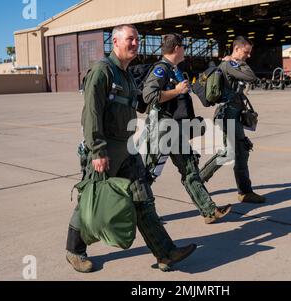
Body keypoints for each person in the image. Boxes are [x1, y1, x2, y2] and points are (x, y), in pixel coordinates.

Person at [65, 25, 196, 273]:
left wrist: (163, 90)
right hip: (106, 148)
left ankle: (165, 253)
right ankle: (75, 250)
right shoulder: (102, 71)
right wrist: (97, 150)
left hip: (128, 147)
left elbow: (141, 104)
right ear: (115, 41)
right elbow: (91, 114)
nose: (135, 43)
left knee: (143, 198)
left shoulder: (126, 74)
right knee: (90, 199)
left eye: (137, 39)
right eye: (130, 39)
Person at [143, 33, 232, 225]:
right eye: (183, 46)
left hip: (174, 130)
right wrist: (176, 91)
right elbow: (149, 95)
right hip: (162, 130)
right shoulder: (161, 69)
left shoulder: (174, 69)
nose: (184, 49)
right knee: (147, 174)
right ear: (176, 48)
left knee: (190, 169)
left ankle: (209, 211)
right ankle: (134, 213)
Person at [199, 36, 267, 204]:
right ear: (236, 49)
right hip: (228, 114)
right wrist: (237, 61)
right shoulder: (230, 64)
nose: (248, 56)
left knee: (242, 151)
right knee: (229, 152)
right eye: (246, 52)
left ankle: (245, 192)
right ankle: (197, 180)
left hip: (233, 114)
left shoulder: (231, 64)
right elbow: (251, 77)